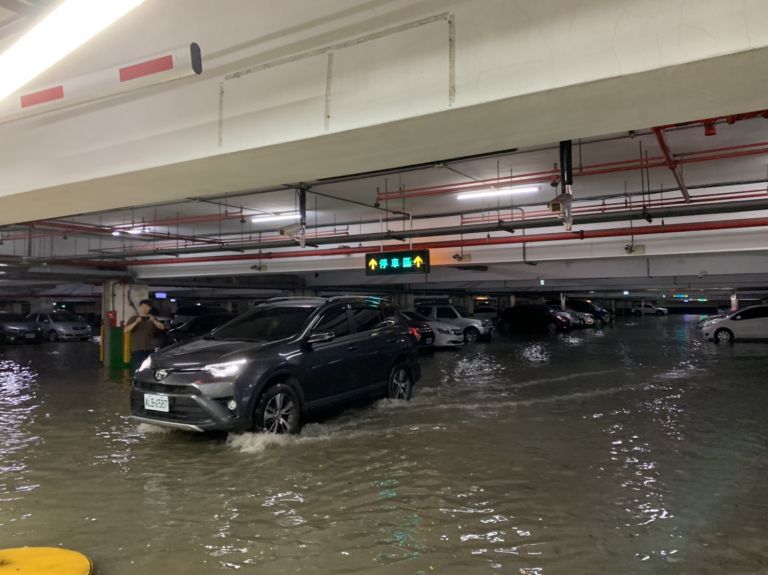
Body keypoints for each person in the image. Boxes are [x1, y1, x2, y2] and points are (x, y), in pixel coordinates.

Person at [124, 299, 166, 371]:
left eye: (147, 307)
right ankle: (137, 382)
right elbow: (125, 330)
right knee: (137, 369)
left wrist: (153, 321)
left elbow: (162, 327)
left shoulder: (152, 318)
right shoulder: (134, 318)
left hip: (150, 348)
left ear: (150, 308)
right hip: (137, 348)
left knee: (150, 368)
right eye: (143, 306)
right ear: (140, 307)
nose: (145, 309)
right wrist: (136, 322)